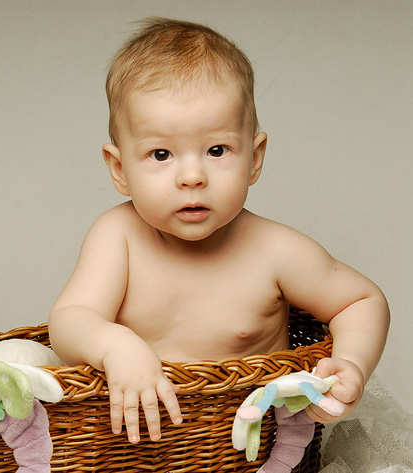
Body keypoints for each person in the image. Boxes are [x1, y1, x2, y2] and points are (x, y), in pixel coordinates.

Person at [47, 18, 389, 445]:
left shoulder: (275, 250)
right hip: (134, 450)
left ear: (254, 158)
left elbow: (362, 299)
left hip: (247, 452)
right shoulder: (119, 237)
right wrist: (114, 345)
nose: (192, 176)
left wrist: (351, 363)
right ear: (120, 170)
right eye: (160, 153)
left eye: (216, 150)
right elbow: (69, 321)